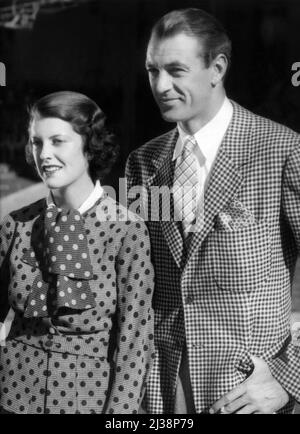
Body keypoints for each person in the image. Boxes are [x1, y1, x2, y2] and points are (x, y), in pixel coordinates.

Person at [125, 8, 300, 414]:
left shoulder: (281, 151)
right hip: (159, 392)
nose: (161, 85)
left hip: (247, 394)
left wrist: (289, 379)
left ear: (216, 68)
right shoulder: (142, 163)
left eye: (176, 70)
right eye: (153, 70)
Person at [0, 91, 155, 414]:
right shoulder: (16, 224)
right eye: (37, 142)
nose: (44, 154)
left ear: (89, 145)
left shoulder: (125, 230)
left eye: (58, 141)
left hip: (88, 404)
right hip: (12, 401)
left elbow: (135, 343)